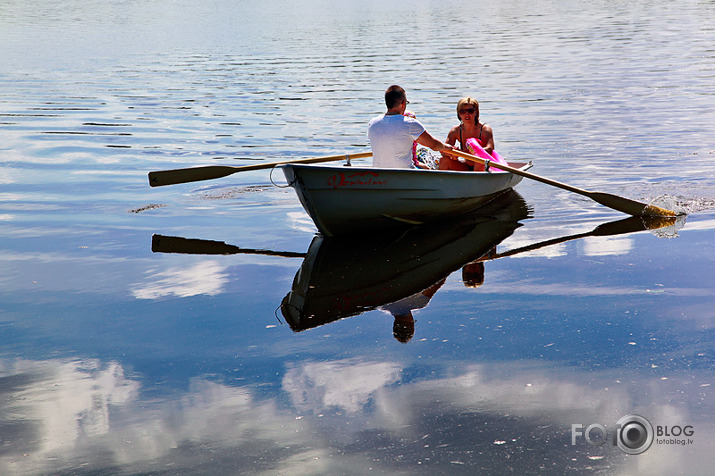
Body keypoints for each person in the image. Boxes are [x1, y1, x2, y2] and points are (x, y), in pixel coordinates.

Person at [368, 85, 452, 168]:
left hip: (379, 175)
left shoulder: (372, 123)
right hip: (406, 174)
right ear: (403, 103)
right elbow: (433, 145)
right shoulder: (410, 123)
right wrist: (445, 147)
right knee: (430, 169)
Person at [439, 97, 495, 171]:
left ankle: (477, 181)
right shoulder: (455, 130)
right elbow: (443, 151)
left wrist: (460, 153)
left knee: (479, 160)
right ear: (459, 114)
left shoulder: (485, 129)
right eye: (462, 111)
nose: (467, 114)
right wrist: (451, 153)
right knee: (443, 160)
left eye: (470, 111)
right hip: (465, 165)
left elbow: (489, 150)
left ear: (476, 112)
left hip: (483, 166)